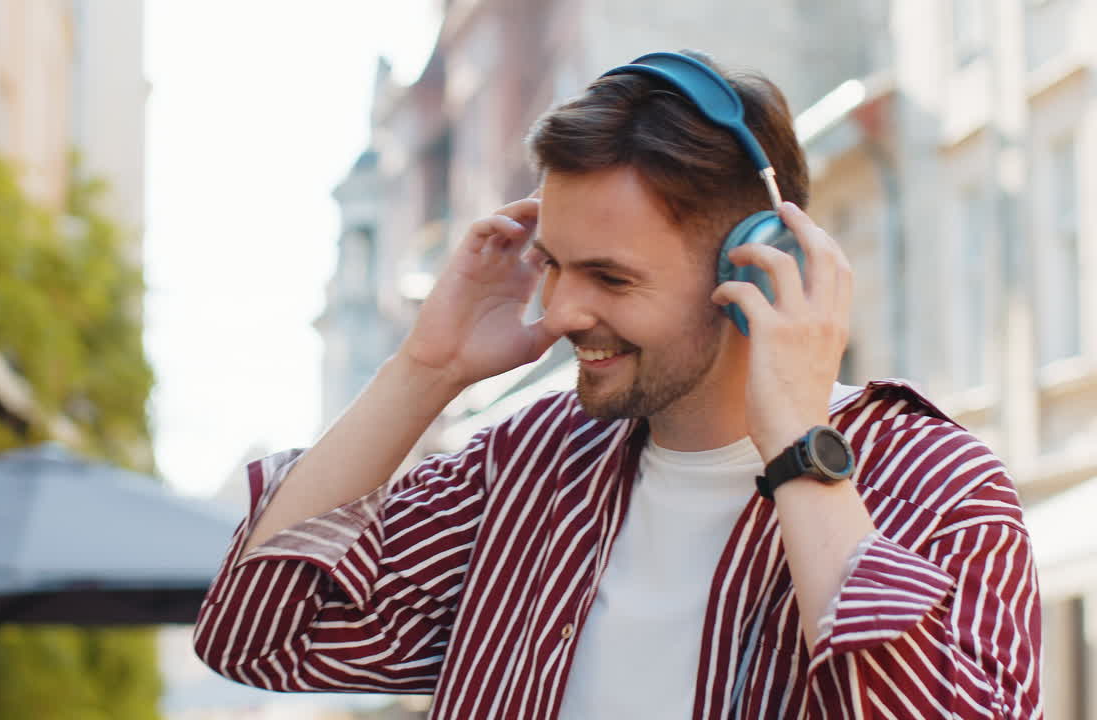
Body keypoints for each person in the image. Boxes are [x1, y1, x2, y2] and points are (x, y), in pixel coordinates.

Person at [194, 51, 1041, 719]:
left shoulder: (936, 487)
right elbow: (256, 633)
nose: (559, 311)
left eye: (610, 277)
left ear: (762, 264)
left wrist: (798, 452)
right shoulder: (528, 463)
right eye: (553, 265)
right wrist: (427, 370)